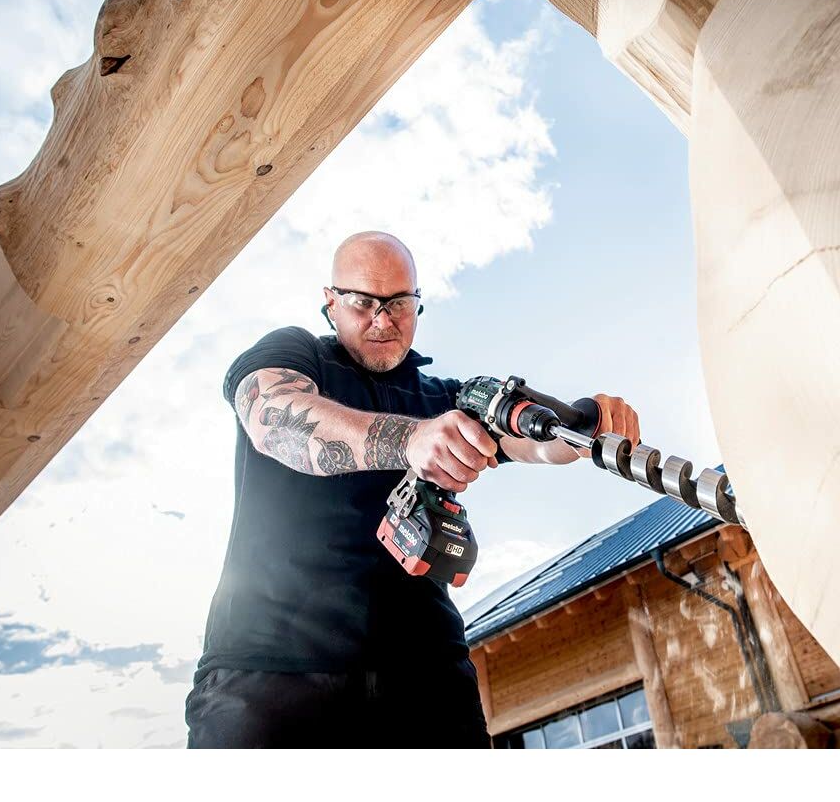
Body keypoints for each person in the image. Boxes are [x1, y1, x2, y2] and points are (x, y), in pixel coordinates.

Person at [185, 231, 641, 748]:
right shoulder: (294, 352)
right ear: (331, 303)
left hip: (426, 676)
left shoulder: (446, 399)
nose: (383, 320)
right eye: (363, 302)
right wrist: (411, 439)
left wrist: (584, 429)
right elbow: (272, 418)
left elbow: (532, 445)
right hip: (269, 672)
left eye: (399, 303)